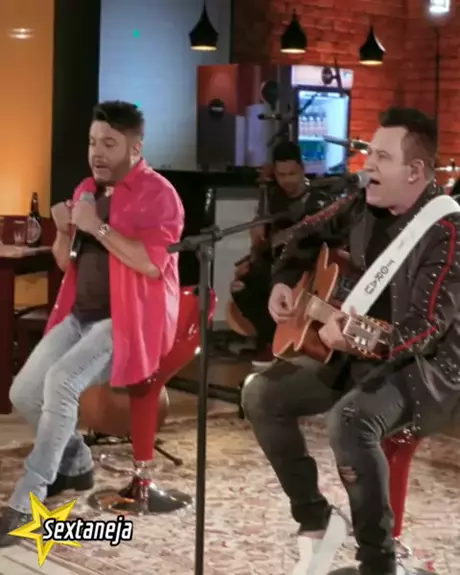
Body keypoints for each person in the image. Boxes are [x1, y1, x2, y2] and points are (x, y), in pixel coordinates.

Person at [241, 107, 460, 575]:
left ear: (415, 171)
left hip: (423, 372)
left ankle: (377, 561)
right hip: (354, 355)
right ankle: (316, 517)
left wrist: (359, 340)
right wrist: (285, 279)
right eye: (369, 154)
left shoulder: (447, 232)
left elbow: (425, 329)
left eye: (382, 157)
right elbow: (302, 233)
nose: (368, 166)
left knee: (349, 419)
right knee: (260, 393)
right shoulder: (362, 204)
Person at [0, 100, 184, 545]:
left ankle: (27, 499)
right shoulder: (87, 189)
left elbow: (152, 264)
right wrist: (66, 230)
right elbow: (68, 264)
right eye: (92, 142)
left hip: (129, 322)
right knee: (23, 391)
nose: (97, 153)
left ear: (135, 148)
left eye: (109, 144)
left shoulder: (160, 195)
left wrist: (98, 227)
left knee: (61, 383)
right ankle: (78, 461)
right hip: (81, 316)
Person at [231, 140, 332, 366]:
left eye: (292, 174)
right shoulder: (274, 196)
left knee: (276, 287)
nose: (287, 180)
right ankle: (272, 342)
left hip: (302, 266)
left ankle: (289, 344)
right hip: (274, 263)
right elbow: (265, 238)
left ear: (302, 169)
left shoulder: (318, 200)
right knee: (241, 286)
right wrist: (253, 257)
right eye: (281, 175)